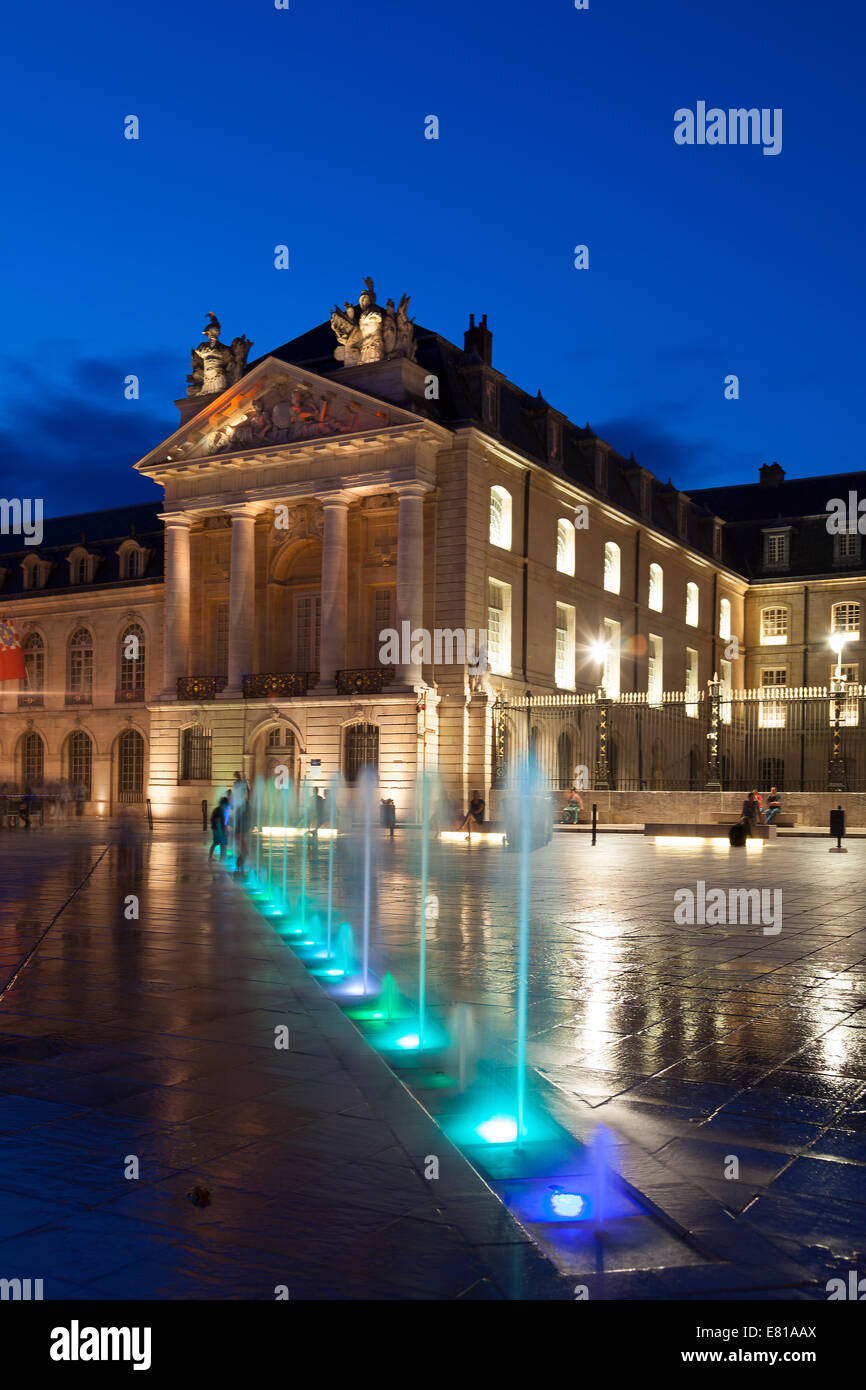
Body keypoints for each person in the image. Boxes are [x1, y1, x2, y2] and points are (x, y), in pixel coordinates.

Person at [209, 796, 229, 861]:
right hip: (217, 830)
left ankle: (222, 856)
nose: (227, 806)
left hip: (218, 829)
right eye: (226, 805)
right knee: (216, 843)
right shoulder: (218, 810)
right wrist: (220, 831)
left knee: (222, 843)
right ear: (223, 804)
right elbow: (218, 822)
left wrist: (225, 829)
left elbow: (223, 822)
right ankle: (211, 857)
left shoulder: (220, 810)